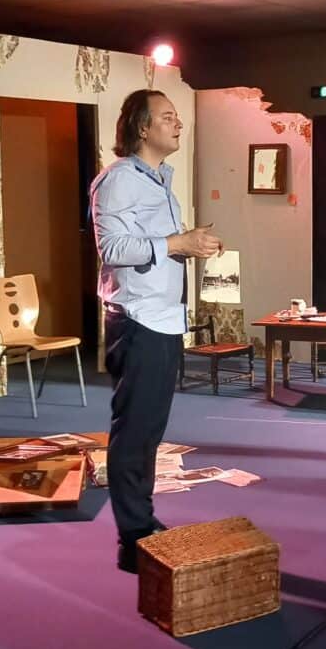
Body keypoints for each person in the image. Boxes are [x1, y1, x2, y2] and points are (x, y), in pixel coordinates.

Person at [91, 89, 223, 572]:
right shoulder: (118, 180)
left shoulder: (163, 181)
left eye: (178, 117)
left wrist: (191, 245)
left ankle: (142, 522)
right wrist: (175, 242)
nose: (178, 124)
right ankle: (133, 538)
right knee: (134, 432)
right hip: (137, 319)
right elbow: (112, 248)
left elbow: (159, 245)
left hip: (166, 320)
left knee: (150, 431)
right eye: (167, 117)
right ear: (142, 128)